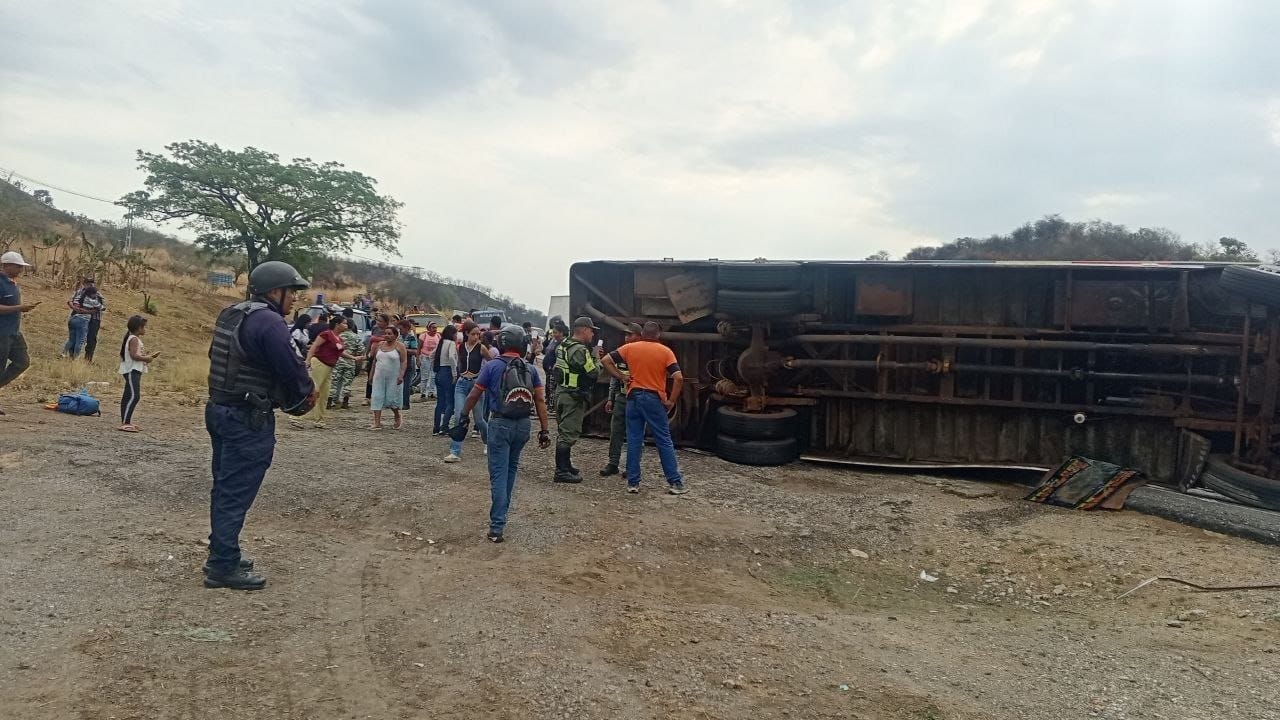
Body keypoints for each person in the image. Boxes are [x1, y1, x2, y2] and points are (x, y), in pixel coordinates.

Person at [205, 260, 316, 590]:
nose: (294, 299)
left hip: (220, 409)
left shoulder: (232, 313)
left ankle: (223, 552)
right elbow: (291, 368)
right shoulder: (269, 322)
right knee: (235, 493)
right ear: (274, 291)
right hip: (247, 418)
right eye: (291, 292)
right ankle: (222, 566)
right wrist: (305, 396)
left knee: (224, 486)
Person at [456, 324, 551, 542]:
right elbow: (540, 401)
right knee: (510, 470)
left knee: (498, 474)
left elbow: (473, 394)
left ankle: (497, 527)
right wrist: (544, 430)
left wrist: (463, 415)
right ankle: (501, 516)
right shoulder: (531, 369)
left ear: (503, 342)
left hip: (500, 424)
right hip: (524, 425)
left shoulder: (492, 367)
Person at [601, 321, 687, 495]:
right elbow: (678, 378)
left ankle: (633, 483)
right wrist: (671, 400)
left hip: (632, 398)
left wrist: (622, 377)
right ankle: (675, 482)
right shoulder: (665, 352)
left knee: (633, 440)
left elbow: (605, 360)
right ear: (658, 335)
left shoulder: (630, 348)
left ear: (643, 334)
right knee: (663, 440)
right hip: (654, 399)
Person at [552, 316, 600, 482]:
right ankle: (561, 471)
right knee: (568, 433)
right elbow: (593, 372)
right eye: (591, 331)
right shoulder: (581, 350)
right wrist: (596, 358)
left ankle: (566, 465)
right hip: (573, 396)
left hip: (561, 393)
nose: (592, 334)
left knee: (563, 429)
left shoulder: (563, 344)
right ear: (585, 330)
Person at [296, 316, 357, 427]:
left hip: (329, 367)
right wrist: (308, 360)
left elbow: (340, 352)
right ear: (337, 324)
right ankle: (297, 417)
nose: (346, 326)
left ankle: (319, 419)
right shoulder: (326, 334)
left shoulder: (339, 339)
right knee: (314, 390)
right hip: (319, 363)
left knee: (324, 393)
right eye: (344, 323)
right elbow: (314, 346)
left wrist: (354, 358)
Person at [600, 322, 642, 477]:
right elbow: (614, 378)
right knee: (616, 432)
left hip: (637, 399)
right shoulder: (621, 354)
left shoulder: (643, 354)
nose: (626, 337)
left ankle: (632, 467)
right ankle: (613, 463)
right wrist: (611, 398)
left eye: (630, 335)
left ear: (638, 336)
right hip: (621, 398)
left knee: (635, 434)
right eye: (625, 334)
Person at [445, 321, 490, 462]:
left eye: (478, 334)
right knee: (459, 416)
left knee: (479, 419)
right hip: (462, 383)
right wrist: (456, 375)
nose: (476, 337)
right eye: (473, 334)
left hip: (477, 385)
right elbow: (459, 363)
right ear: (466, 334)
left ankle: (489, 442)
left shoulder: (481, 348)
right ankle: (455, 451)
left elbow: (492, 362)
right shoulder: (461, 347)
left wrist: (487, 379)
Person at [0, 252, 38, 416]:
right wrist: (19, 308)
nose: (20, 269)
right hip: (2, 332)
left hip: (13, 331)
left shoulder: (12, 283)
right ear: (6, 265)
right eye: (17, 266)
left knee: (23, 361)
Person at [117, 314, 159, 432]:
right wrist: (147, 359)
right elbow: (134, 355)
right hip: (132, 370)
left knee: (127, 395)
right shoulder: (134, 339)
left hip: (134, 369)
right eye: (144, 327)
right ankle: (125, 422)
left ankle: (126, 421)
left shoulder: (132, 338)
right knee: (135, 396)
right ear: (139, 328)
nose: (145, 329)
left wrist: (147, 356)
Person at [369, 325, 407, 430]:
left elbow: (404, 362)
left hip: (393, 377)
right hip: (379, 376)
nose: (387, 336)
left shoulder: (400, 346)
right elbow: (374, 362)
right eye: (385, 333)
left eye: (390, 334)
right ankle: (377, 422)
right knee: (377, 397)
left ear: (395, 335)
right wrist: (371, 375)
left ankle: (397, 415)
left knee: (391, 399)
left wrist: (401, 375)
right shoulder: (380, 345)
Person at [329, 316, 365, 410]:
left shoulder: (339, 336)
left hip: (338, 361)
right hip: (350, 361)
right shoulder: (356, 336)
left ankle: (330, 401)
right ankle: (345, 402)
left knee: (334, 381)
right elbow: (361, 349)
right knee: (347, 383)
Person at [431, 324, 459, 434]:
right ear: (452, 334)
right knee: (450, 402)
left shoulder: (441, 342)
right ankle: (445, 426)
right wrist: (454, 373)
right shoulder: (451, 343)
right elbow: (452, 357)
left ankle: (436, 428)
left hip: (439, 372)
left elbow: (431, 355)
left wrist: (435, 366)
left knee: (440, 402)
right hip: (447, 372)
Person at [74, 277, 107, 362]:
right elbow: (72, 301)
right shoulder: (79, 292)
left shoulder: (97, 295)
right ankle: (72, 355)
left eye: (91, 283)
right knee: (76, 336)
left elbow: (101, 308)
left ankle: (88, 359)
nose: (90, 285)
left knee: (91, 338)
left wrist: (84, 311)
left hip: (94, 319)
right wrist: (76, 310)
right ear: (84, 284)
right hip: (80, 317)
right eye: (88, 283)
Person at [542, 316, 567, 410]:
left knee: (553, 387)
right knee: (549, 386)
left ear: (561, 332)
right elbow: (545, 350)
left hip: (554, 368)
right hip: (549, 368)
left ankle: (552, 406)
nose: (553, 333)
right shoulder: (553, 340)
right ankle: (549, 401)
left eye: (555, 332)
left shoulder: (562, 343)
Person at [398, 318, 420, 410]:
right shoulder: (399, 337)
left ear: (407, 328)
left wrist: (403, 350)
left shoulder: (411, 337)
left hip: (408, 364)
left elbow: (415, 351)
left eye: (401, 329)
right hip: (398, 364)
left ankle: (405, 404)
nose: (400, 331)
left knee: (406, 385)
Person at [417, 321, 441, 401]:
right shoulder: (423, 336)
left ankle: (431, 393)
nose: (435, 329)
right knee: (425, 376)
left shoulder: (438, 336)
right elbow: (419, 348)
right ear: (429, 328)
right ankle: (423, 393)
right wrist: (418, 359)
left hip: (434, 359)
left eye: (436, 328)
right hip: (425, 357)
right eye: (433, 328)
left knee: (434, 376)